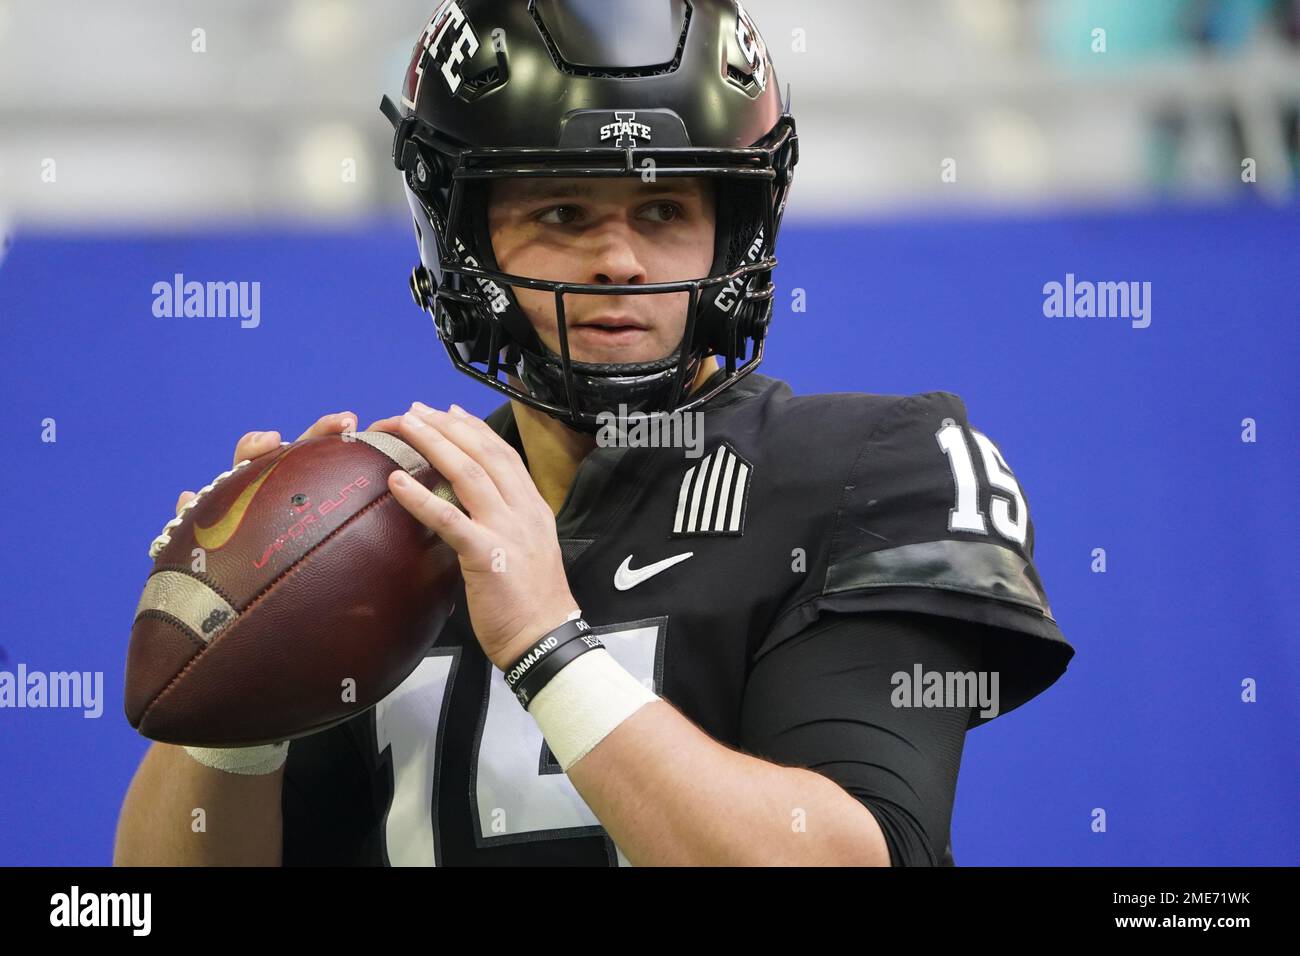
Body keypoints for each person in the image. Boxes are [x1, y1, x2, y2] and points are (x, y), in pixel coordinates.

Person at [114, 0, 1073, 867]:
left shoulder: (868, 472)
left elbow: (845, 860)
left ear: (734, 233)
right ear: (461, 237)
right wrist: (237, 689)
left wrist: (546, 644)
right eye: (562, 212)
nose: (617, 260)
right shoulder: (379, 534)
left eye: (663, 210)